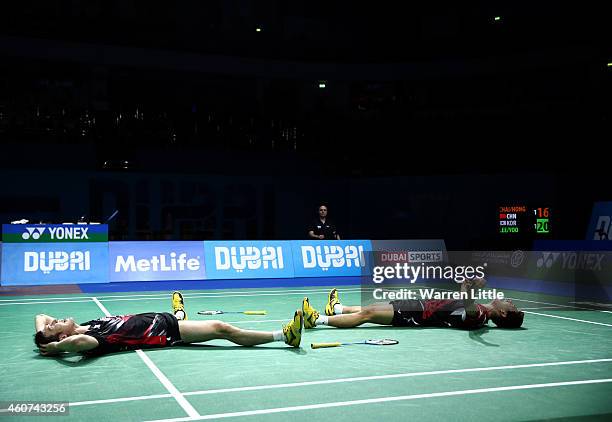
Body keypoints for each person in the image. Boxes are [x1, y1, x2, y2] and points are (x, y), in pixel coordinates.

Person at [34, 292, 303, 356]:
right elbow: (78, 342)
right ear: (60, 339)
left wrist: (42, 334)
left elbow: (40, 316)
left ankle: (180, 312)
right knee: (223, 329)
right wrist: (57, 348)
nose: (53, 321)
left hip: (165, 319)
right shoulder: (97, 340)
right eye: (53, 327)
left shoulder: (89, 324)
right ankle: (283, 336)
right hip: (168, 332)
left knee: (185, 318)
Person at [302, 279, 524, 331]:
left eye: (512, 306)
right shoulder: (483, 311)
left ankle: (319, 320)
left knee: (368, 313)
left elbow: (469, 310)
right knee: (372, 306)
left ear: (503, 313)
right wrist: (473, 287)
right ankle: (337, 309)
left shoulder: (481, 316)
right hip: (419, 304)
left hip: (418, 314)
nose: (511, 301)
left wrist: (469, 292)